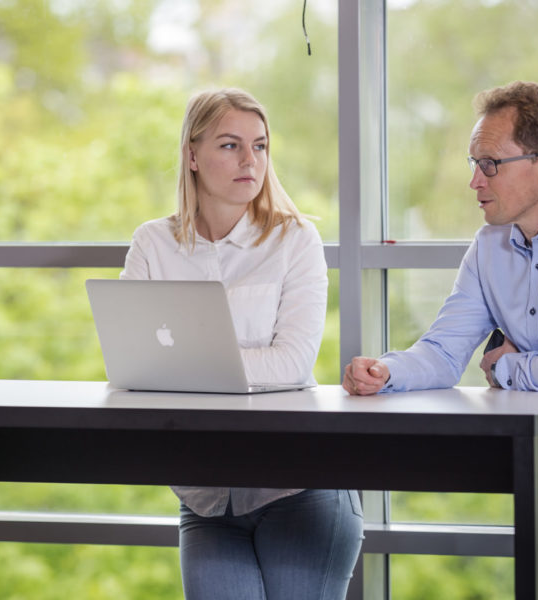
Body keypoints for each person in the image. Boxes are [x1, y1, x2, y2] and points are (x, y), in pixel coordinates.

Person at [121, 88, 363, 600]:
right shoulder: (152, 244)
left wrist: (184, 366)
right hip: (206, 499)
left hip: (301, 486)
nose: (250, 160)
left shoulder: (295, 240)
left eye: (260, 146)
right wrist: (195, 367)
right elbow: (133, 362)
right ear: (191, 154)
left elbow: (293, 362)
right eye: (230, 145)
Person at [343, 81, 538, 395]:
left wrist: (506, 367)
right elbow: (444, 352)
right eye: (475, 164)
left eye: (490, 165)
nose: (475, 182)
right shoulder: (490, 245)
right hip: (536, 435)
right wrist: (384, 372)